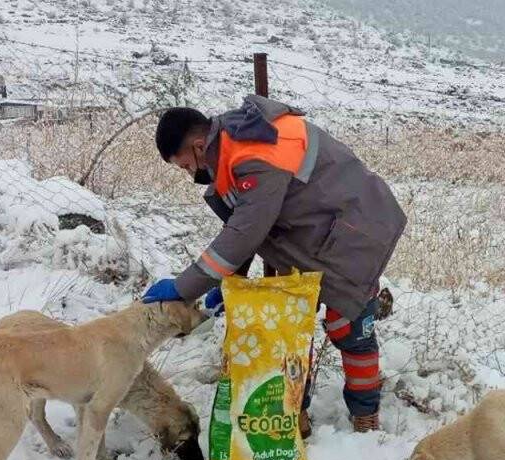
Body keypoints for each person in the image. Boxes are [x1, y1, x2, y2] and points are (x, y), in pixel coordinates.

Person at [142, 95, 407, 435]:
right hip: (312, 233)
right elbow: (246, 220)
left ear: (197, 145)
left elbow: (245, 232)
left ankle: (366, 418)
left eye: (185, 165)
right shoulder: (235, 142)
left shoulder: (254, 155)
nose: (191, 173)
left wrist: (182, 288)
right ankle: (297, 413)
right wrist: (230, 280)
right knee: (292, 328)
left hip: (356, 232)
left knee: (352, 328)